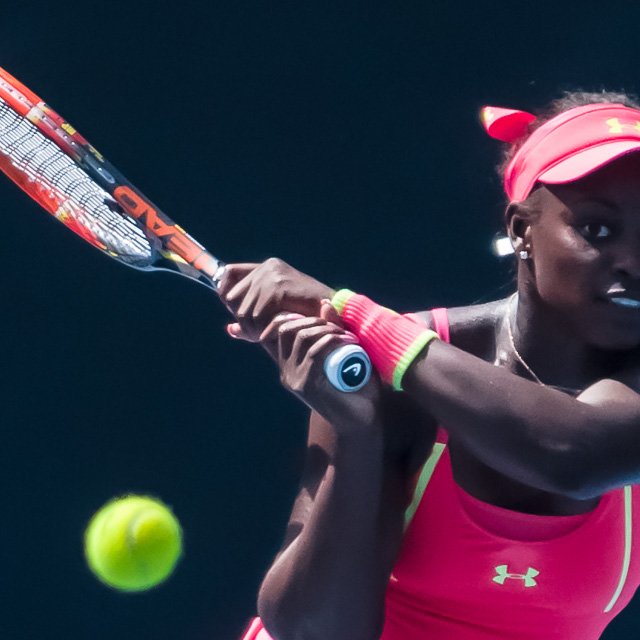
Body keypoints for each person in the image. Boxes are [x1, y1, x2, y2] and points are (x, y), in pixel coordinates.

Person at [224, 92, 640, 640]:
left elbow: (574, 455)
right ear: (521, 232)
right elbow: (312, 631)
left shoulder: (391, 349)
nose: (633, 261)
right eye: (598, 230)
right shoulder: (399, 378)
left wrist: (360, 316)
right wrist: (357, 436)